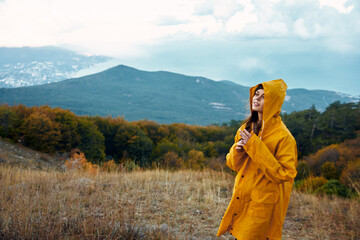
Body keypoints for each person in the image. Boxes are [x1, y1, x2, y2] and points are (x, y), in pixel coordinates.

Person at [216, 79, 298, 240]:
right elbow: (232, 164)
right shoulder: (246, 128)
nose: (256, 99)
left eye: (263, 96)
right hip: (242, 197)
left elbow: (285, 174)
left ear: (274, 101)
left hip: (264, 203)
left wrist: (254, 146)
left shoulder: (284, 137)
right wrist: (237, 150)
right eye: (256, 94)